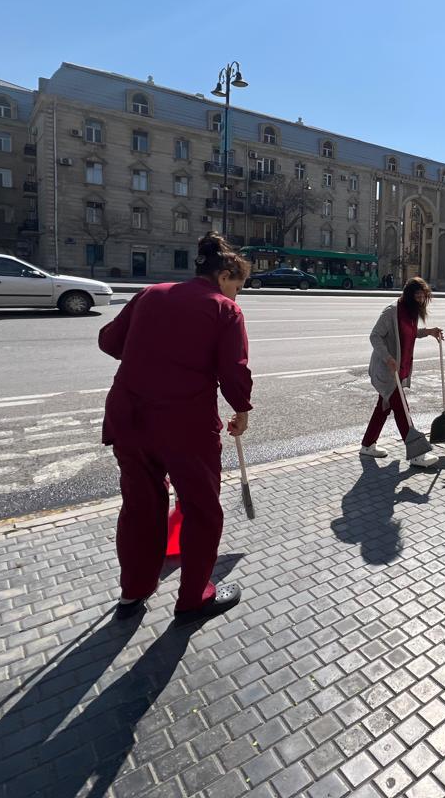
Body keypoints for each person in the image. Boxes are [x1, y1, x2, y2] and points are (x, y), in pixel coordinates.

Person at [98, 233, 251, 623]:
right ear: (224, 276)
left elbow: (110, 341)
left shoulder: (151, 293)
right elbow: (234, 372)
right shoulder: (224, 309)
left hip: (130, 418)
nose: (237, 296)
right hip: (185, 424)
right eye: (238, 287)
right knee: (202, 510)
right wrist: (242, 411)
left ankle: (133, 592)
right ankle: (193, 598)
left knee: (139, 507)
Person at [361, 277, 442, 466]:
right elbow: (375, 336)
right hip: (386, 371)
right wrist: (388, 358)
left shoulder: (410, 311)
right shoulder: (392, 311)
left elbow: (409, 333)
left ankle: (367, 445)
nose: (421, 300)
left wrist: (428, 331)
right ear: (409, 295)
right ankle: (417, 454)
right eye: (418, 296)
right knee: (403, 410)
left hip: (399, 371)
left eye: (423, 297)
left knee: (383, 408)